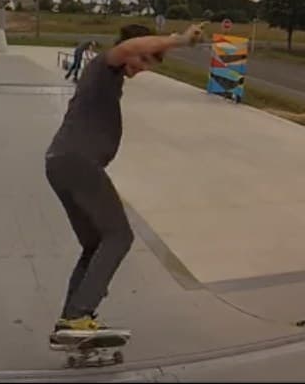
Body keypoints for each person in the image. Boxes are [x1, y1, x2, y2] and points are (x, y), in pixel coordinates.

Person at [45, 22, 204, 347]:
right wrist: (181, 40)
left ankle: (71, 321)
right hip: (77, 162)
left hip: (62, 163)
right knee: (119, 236)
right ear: (136, 47)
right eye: (144, 61)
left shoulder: (110, 78)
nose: (142, 70)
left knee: (96, 244)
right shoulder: (106, 64)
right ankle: (78, 314)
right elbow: (129, 49)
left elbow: (135, 52)